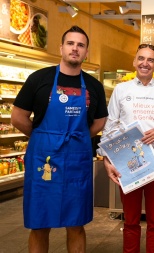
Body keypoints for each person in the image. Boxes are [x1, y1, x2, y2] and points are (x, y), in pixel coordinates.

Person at [11, 25, 108, 252]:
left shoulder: (94, 86)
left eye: (81, 45)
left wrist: (79, 137)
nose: (75, 49)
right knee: (40, 224)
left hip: (77, 163)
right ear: (61, 48)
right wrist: (43, 137)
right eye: (71, 43)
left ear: (86, 53)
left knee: (76, 223)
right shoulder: (39, 79)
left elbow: (100, 121)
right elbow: (17, 117)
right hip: (43, 160)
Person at [100, 43, 154, 253]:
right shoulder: (121, 90)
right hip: (128, 163)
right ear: (134, 61)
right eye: (141, 58)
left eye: (150, 60)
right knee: (131, 220)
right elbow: (110, 125)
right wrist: (106, 158)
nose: (145, 63)